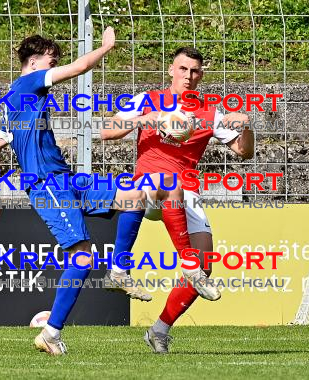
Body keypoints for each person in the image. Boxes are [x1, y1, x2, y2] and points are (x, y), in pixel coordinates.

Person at [0, 28, 179, 356]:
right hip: (48, 184)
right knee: (83, 257)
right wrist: (105, 48)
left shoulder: (14, 102)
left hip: (67, 181)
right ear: (33, 64)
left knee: (138, 195)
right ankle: (51, 333)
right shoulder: (28, 83)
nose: (54, 63)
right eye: (49, 59)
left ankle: (119, 269)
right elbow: (78, 68)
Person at [101, 46, 255, 353]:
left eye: (194, 71)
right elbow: (107, 131)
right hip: (147, 187)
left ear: (201, 75)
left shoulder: (210, 113)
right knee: (165, 181)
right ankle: (119, 268)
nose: (188, 76)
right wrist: (148, 119)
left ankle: (159, 330)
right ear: (171, 70)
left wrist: (246, 125)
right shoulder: (149, 99)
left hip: (186, 193)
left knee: (206, 264)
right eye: (183, 69)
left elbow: (244, 152)